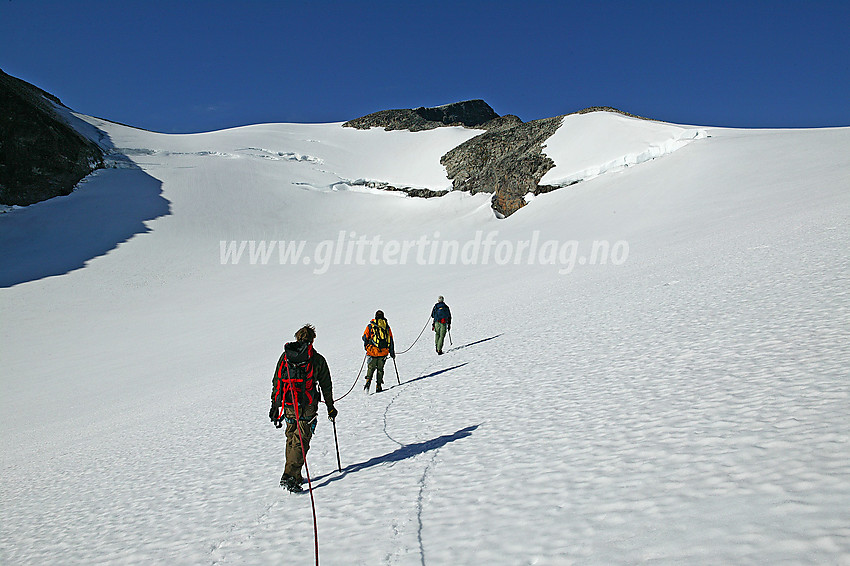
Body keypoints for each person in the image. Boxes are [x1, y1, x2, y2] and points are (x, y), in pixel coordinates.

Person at [269, 324, 337, 493]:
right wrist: (330, 407)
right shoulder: (316, 358)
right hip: (307, 406)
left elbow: (277, 381)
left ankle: (295, 474)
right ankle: (290, 476)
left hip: (289, 404)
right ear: (312, 339)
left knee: (291, 437)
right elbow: (326, 385)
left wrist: (275, 405)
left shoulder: (285, 357)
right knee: (301, 439)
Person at [362, 310, 395, 393]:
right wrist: (392, 352)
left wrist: (366, 347)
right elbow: (390, 340)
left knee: (371, 368)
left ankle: (368, 382)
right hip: (383, 352)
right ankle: (378, 386)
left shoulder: (370, 326)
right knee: (380, 369)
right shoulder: (386, 327)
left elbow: (365, 337)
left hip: (372, 351)